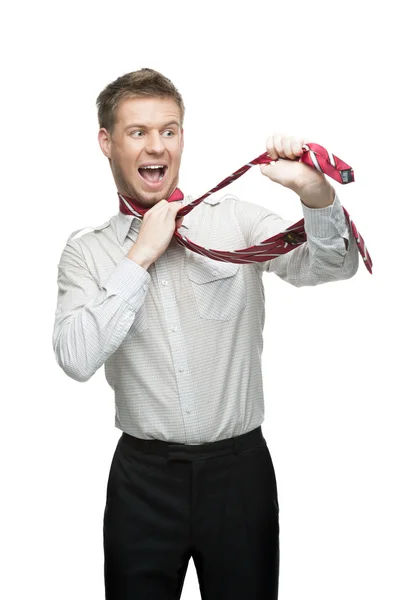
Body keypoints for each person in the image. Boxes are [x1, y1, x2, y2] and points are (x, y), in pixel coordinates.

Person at [52, 68, 359, 600]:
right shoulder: (87, 252)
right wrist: (140, 254)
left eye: (169, 131)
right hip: (141, 483)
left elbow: (333, 265)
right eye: (138, 132)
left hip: (239, 478)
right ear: (107, 142)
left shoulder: (235, 220)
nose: (157, 146)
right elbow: (76, 357)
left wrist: (314, 191)